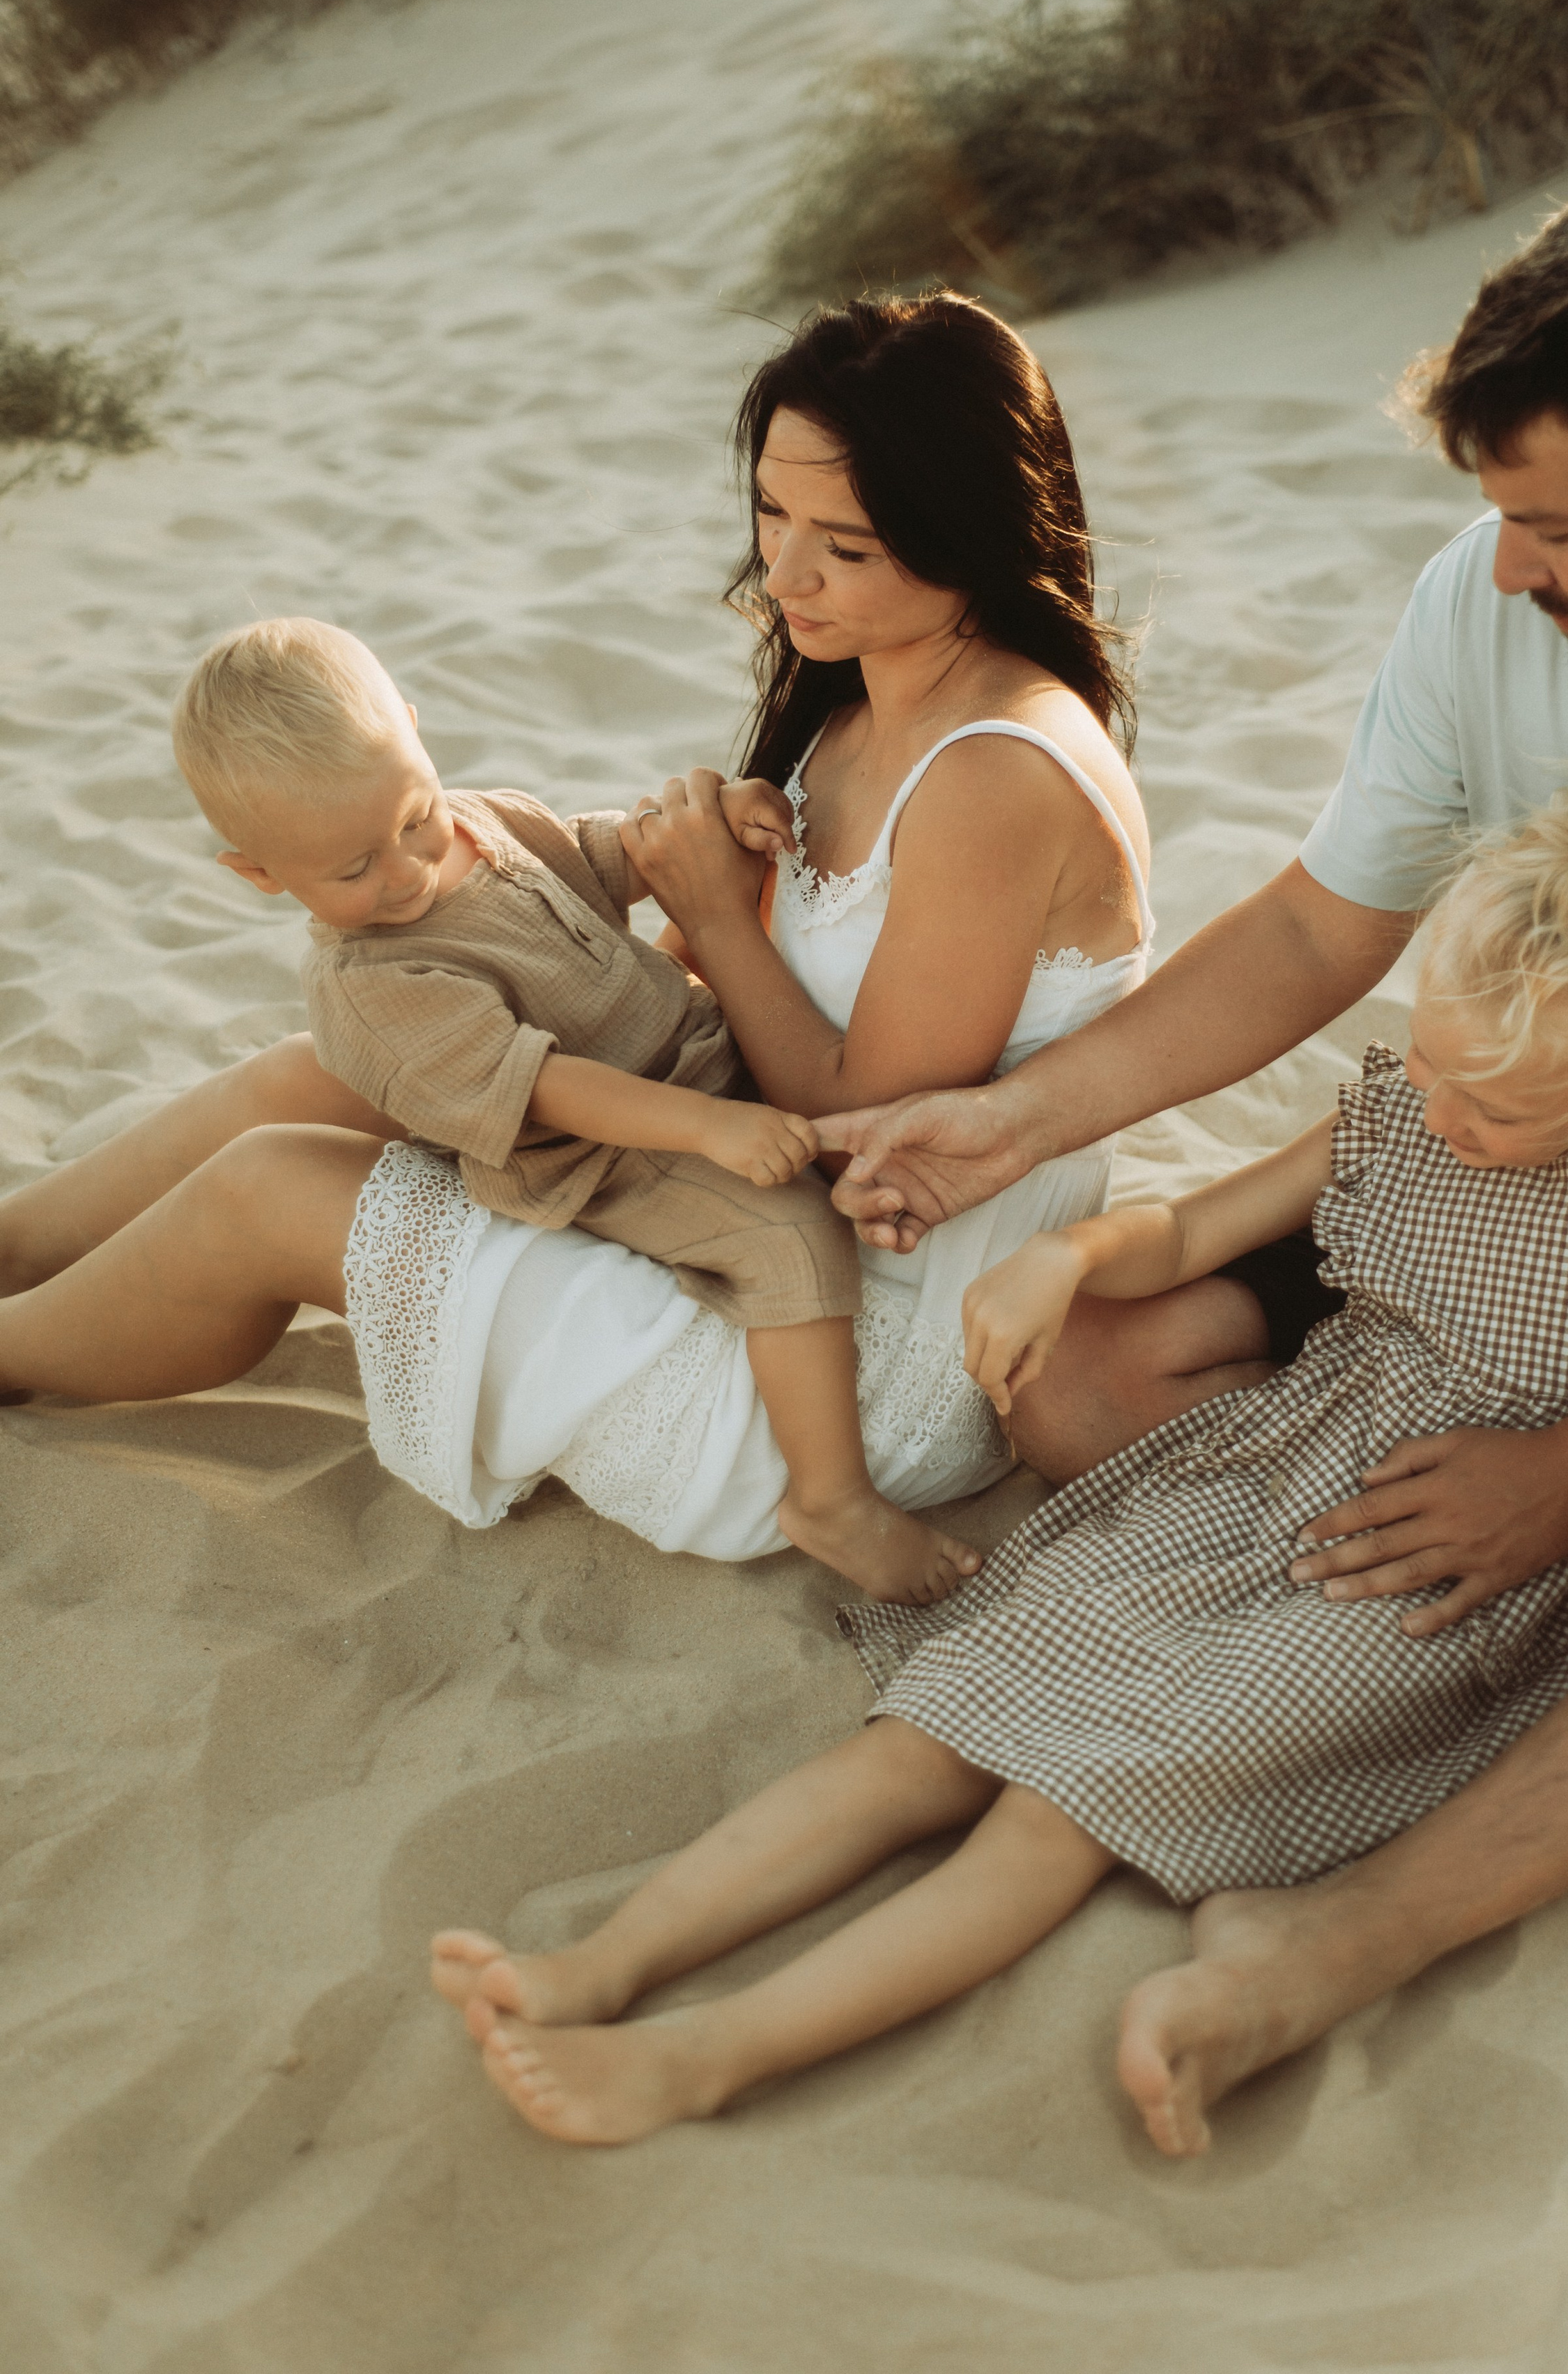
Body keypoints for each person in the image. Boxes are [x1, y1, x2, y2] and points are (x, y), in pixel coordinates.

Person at [817, 167, 1568, 2153]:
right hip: (1504, 1177)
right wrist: (1024, 1118)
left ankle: (1345, 1930)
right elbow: (1321, 933)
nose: (1506, 572)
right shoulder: (1488, 596)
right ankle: (1416, 1631)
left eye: (1554, 525)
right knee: (1086, 1368)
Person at [429, 776, 1568, 2147]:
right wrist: (1066, 1256)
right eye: (1422, 1058)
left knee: (1050, 1816)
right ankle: (607, 1965)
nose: (1435, 1108)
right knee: (927, 1741)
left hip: (1420, 1574)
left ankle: (708, 2057)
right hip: (1271, 1474)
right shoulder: (1401, 1115)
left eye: (1482, 1101)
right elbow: (1191, 1232)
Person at [0, 291, 1151, 1579]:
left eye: (848, 543)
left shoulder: (995, 774)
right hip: (741, 1194)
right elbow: (693, 1002)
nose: (783, 573)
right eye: (771, 513)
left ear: (966, 537)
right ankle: (14, 1247)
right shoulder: (863, 705)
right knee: (316, 1076)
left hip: (848, 1338)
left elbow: (862, 1122)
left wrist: (713, 910)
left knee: (268, 1186)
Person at [170, 614, 978, 1605]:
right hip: (602, 1153)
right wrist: (707, 1127)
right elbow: (545, 1083)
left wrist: (722, 818)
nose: (409, 868)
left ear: (417, 739)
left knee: (838, 1134)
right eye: (352, 870)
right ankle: (832, 1502)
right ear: (258, 872)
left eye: (413, 817)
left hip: (692, 1058)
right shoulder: (377, 984)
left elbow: (604, 855)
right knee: (791, 1233)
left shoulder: (481, 823)